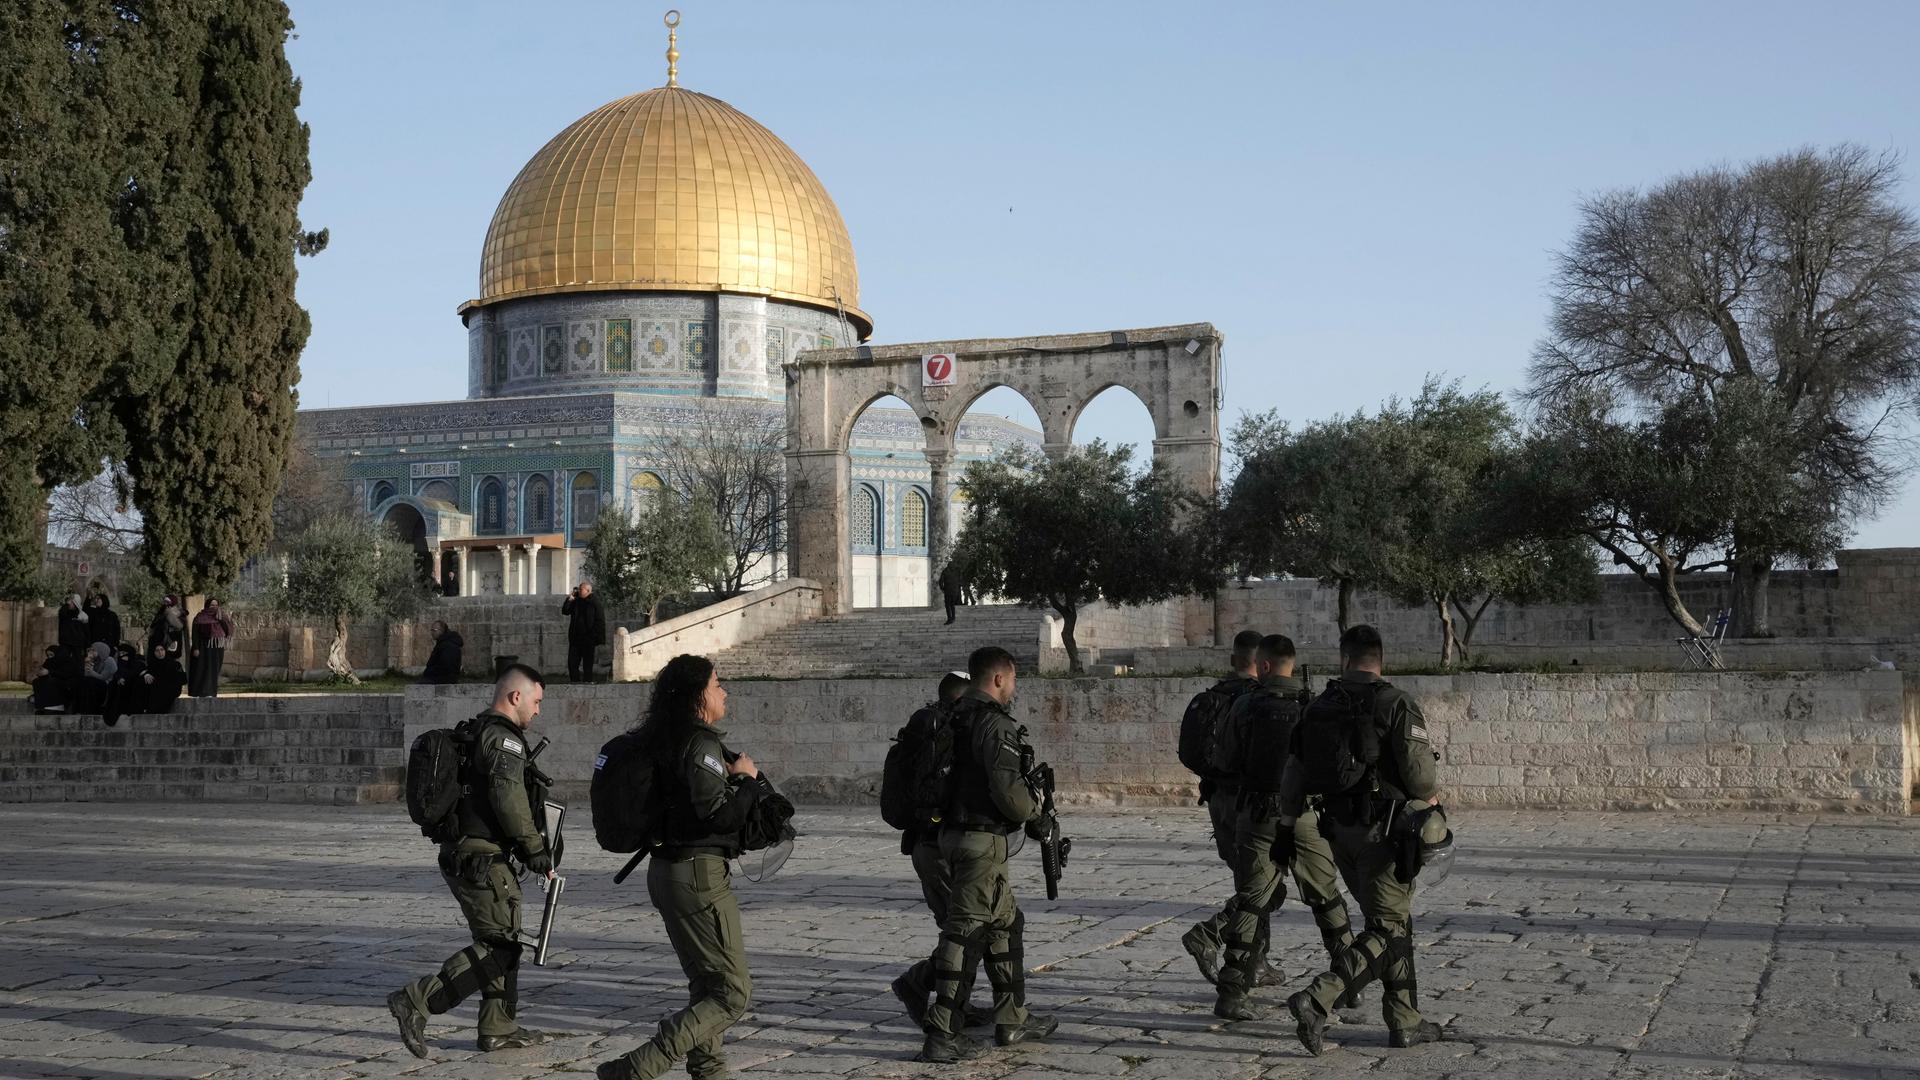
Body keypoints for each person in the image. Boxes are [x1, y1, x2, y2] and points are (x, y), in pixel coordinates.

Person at [596, 654, 780, 1080]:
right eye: (717, 685)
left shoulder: (665, 739)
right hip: (697, 877)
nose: (724, 692)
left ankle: (709, 1070)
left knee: (708, 985)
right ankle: (639, 1067)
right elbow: (718, 817)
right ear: (699, 696)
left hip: (670, 870)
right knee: (733, 995)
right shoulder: (698, 743)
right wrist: (747, 780)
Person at [1282, 625, 1445, 1054]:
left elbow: (1294, 775)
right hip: (1385, 833)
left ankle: (1404, 1020)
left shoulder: (1317, 707)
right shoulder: (1395, 703)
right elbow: (1421, 777)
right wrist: (1433, 803)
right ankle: (1318, 998)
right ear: (1380, 658)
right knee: (1389, 929)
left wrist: (1284, 827)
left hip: (1337, 832)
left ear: (1344, 658)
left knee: (1389, 920)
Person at [389, 664, 560, 1057]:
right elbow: (509, 800)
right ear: (515, 696)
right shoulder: (503, 741)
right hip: (481, 858)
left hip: (469, 854)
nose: (536, 711)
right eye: (535, 702)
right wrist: (535, 849)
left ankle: (498, 1028)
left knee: (502, 941)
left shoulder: (474, 732)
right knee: (500, 948)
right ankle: (417, 1000)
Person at [913, 645, 1057, 1064]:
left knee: (1006, 924)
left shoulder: (952, 715)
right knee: (966, 932)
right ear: (997, 678)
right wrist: (1034, 810)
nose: (1013, 687)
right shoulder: (993, 725)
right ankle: (942, 1030)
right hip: (979, 841)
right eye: (1012, 679)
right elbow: (1008, 794)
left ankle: (1012, 1017)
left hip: (951, 835)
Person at [1209, 634, 1356, 1020]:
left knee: (1251, 902)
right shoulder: (1315, 706)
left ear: (1266, 666)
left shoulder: (1244, 705)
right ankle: (1348, 979)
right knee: (1327, 897)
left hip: (1256, 814)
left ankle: (1231, 991)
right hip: (1305, 816)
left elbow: (1224, 758)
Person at [890, 671, 992, 1031]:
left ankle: (956, 1005)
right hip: (939, 846)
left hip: (925, 843)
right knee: (965, 932)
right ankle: (917, 983)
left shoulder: (927, 732)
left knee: (959, 930)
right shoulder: (949, 735)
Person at [1181, 630, 1281, 988]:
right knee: (1262, 886)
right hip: (1249, 803)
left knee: (1248, 882)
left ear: (1233, 659)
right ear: (1262, 662)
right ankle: (1216, 938)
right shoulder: (1259, 700)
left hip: (1217, 801)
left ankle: (1256, 961)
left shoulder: (1213, 697)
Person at [188, 599, 235, 697]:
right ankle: (198, 692)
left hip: (216, 647)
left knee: (214, 669)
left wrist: (221, 618)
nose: (214, 607)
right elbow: (195, 633)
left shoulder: (222, 616)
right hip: (202, 646)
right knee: (200, 669)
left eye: (216, 605)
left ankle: (210, 692)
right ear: (207, 606)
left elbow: (228, 630)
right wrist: (196, 648)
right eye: (211, 605)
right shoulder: (200, 617)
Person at [561, 581, 606, 683]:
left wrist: (594, 636)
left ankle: (587, 681)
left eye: (581, 589)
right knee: (572, 662)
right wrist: (570, 599)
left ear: (588, 591)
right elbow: (565, 611)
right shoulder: (576, 601)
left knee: (587, 663)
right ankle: (575, 681)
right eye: (579, 589)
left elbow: (599, 621)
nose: (579, 591)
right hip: (575, 638)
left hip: (588, 639)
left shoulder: (595, 603)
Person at [104, 642, 147, 727]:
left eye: (124, 654)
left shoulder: (136, 664)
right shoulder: (117, 664)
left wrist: (126, 678)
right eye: (120, 654)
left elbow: (138, 671)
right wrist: (119, 678)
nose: (122, 656)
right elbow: (115, 673)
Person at [28, 646, 79, 714]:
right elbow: (44, 671)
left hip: (64, 683)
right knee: (37, 681)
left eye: (51, 655)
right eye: (48, 655)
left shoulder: (68, 661)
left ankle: (56, 705)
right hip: (51, 681)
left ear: (58, 653)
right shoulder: (49, 661)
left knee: (51, 682)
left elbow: (66, 674)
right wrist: (39, 673)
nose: (50, 657)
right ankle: (40, 704)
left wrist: (50, 672)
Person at [141, 642, 187, 714]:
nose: (160, 652)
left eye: (162, 650)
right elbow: (145, 673)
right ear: (154, 652)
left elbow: (183, 680)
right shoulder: (152, 664)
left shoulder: (174, 664)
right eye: (157, 650)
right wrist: (146, 675)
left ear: (165, 651)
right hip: (157, 689)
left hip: (171, 689)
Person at [75, 641, 118, 715]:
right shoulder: (94, 660)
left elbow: (103, 678)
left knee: (89, 682)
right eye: (90, 650)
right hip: (93, 685)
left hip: (106, 686)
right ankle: (81, 709)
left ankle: (90, 710)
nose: (91, 652)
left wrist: (91, 671)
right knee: (81, 681)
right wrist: (87, 662)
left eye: (93, 650)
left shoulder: (109, 660)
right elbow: (86, 675)